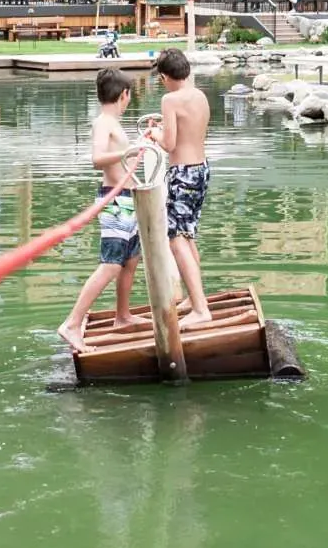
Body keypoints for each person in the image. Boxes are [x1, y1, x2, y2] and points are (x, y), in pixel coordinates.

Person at [58, 69, 144, 350]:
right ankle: (72, 323)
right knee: (110, 265)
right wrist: (127, 153)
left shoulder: (114, 123)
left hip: (129, 199)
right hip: (115, 201)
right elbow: (97, 159)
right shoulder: (103, 123)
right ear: (124, 95)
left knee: (130, 261)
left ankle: (123, 316)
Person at [148, 48, 215, 329]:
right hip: (201, 169)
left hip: (183, 174)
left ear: (164, 76)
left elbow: (170, 145)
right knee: (187, 236)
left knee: (176, 238)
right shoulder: (199, 95)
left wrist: (154, 134)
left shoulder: (170, 99)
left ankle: (201, 309)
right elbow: (188, 132)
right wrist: (166, 128)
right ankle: (194, 299)